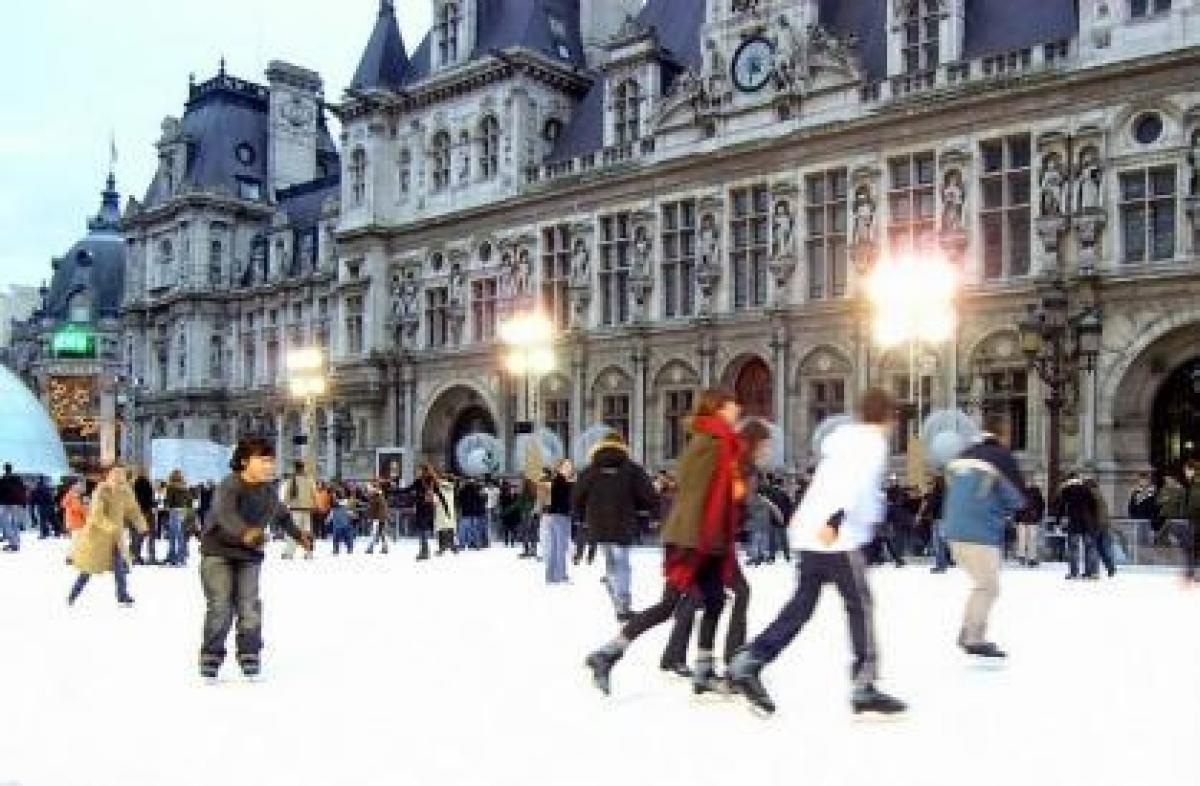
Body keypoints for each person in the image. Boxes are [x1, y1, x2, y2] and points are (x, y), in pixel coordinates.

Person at [729, 388, 906, 717]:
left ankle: (750, 659)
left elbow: (830, 482)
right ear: (887, 417)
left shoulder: (843, 442)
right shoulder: (870, 443)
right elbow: (852, 484)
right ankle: (864, 685)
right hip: (837, 536)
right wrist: (836, 519)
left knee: (801, 607)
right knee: (860, 605)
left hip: (812, 532)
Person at [585, 389, 744, 696]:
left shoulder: (704, 441)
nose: (739, 408)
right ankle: (607, 654)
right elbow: (709, 497)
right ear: (720, 408)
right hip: (695, 539)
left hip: (691, 535)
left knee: (712, 600)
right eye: (733, 403)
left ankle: (702, 670)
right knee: (673, 605)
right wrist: (715, 539)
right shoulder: (716, 444)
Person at [661, 419, 772, 690]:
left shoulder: (742, 466)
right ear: (754, 442)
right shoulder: (734, 464)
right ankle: (729, 658)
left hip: (709, 539)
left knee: (698, 597)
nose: (769, 449)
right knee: (712, 595)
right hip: (705, 540)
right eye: (766, 443)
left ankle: (677, 655)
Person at [198, 437, 313, 682]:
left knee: (249, 606)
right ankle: (211, 655)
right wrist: (245, 532)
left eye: (271, 461)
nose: (269, 466)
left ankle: (249, 653)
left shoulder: (268, 492)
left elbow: (281, 514)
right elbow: (224, 513)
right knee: (220, 606)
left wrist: (298, 534)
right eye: (262, 460)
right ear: (244, 462)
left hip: (249, 555)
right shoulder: (229, 486)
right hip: (218, 553)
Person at [941, 430, 1027, 659]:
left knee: (982, 585)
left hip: (953, 533)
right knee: (988, 587)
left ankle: (970, 630)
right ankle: (973, 637)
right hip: (980, 534)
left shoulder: (959, 461)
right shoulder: (999, 460)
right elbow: (1017, 499)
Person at [571, 431, 658, 621]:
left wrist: (580, 518)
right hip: (623, 522)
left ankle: (616, 595)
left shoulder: (590, 470)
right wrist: (647, 513)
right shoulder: (632, 469)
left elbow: (576, 496)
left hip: (597, 524)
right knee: (623, 564)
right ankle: (623, 606)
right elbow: (648, 495)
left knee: (610, 562)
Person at [67, 465, 148, 607]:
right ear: (110, 479)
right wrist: (110, 527)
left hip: (116, 536)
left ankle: (122, 595)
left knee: (119, 565)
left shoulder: (125, 492)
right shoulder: (101, 491)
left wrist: (141, 525)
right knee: (89, 567)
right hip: (98, 536)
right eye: (117, 482)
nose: (119, 485)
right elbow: (96, 515)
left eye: (121, 482)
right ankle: (73, 594)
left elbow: (133, 510)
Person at [1056, 471, 1098, 580]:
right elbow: (1094, 504)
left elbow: (1061, 506)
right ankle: (1090, 573)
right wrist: (1094, 519)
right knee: (1089, 547)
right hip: (1088, 522)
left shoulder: (1066, 490)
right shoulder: (1086, 488)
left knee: (1073, 548)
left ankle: (1074, 573)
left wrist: (1058, 520)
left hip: (1074, 522)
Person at [544, 460, 575, 584]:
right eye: (567, 467)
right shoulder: (561, 481)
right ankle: (560, 575)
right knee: (560, 547)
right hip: (560, 517)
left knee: (554, 547)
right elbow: (566, 499)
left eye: (570, 467)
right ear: (559, 468)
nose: (569, 469)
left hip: (552, 517)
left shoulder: (554, 481)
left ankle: (550, 576)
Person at [281, 461, 318, 561]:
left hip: (295, 510)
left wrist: (284, 507)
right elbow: (315, 494)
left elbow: (286, 496)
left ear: (295, 468)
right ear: (303, 468)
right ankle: (309, 553)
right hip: (307, 510)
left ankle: (289, 552)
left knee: (294, 532)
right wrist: (316, 505)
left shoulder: (291, 480)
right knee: (307, 532)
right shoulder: (309, 480)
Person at [1086, 478, 1116, 578]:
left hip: (1096, 525)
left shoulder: (1091, 495)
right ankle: (1110, 566)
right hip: (1104, 525)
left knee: (1093, 548)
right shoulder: (1100, 494)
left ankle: (1094, 571)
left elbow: (1092, 512)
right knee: (1103, 548)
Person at [163, 468, 193, 567]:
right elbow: (189, 500)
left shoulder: (170, 487)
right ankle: (182, 557)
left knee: (172, 535)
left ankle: (172, 557)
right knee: (181, 535)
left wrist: (165, 507)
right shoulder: (185, 487)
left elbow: (168, 501)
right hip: (183, 511)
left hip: (174, 511)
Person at [0, 463, 29, 552]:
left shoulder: (3, 479)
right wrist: (24, 502)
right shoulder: (18, 480)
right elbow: (23, 490)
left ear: (4, 469)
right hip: (18, 504)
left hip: (6, 503)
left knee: (5, 523)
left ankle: (13, 542)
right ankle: (16, 543)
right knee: (15, 523)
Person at [1015, 483, 1045, 567]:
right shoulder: (1037, 493)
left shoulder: (1020, 492)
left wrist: (1016, 518)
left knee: (1021, 539)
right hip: (1033, 520)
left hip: (1022, 519)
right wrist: (1039, 517)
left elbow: (1016, 506)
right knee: (1031, 540)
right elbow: (1041, 506)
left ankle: (1021, 556)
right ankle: (1031, 558)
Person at [132, 468, 157, 564]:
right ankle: (151, 556)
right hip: (148, 512)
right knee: (151, 535)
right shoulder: (148, 484)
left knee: (138, 536)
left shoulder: (134, 485)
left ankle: (136, 556)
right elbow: (150, 499)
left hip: (138, 513)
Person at [1181, 459, 1200, 586]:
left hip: (1196, 520)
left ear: (1191, 470)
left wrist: (1189, 514)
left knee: (1191, 546)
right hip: (1194, 520)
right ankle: (1192, 572)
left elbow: (1195, 503)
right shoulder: (1194, 483)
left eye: (1186, 471)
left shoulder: (1197, 483)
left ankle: (1192, 572)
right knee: (1192, 546)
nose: (1185, 474)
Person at [365, 483, 390, 554]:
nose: (368, 491)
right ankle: (383, 548)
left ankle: (371, 548)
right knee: (381, 534)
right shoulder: (375, 497)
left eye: (369, 489)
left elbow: (380, 509)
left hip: (378, 518)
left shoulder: (377, 497)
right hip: (379, 518)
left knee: (376, 533)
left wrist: (375, 518)